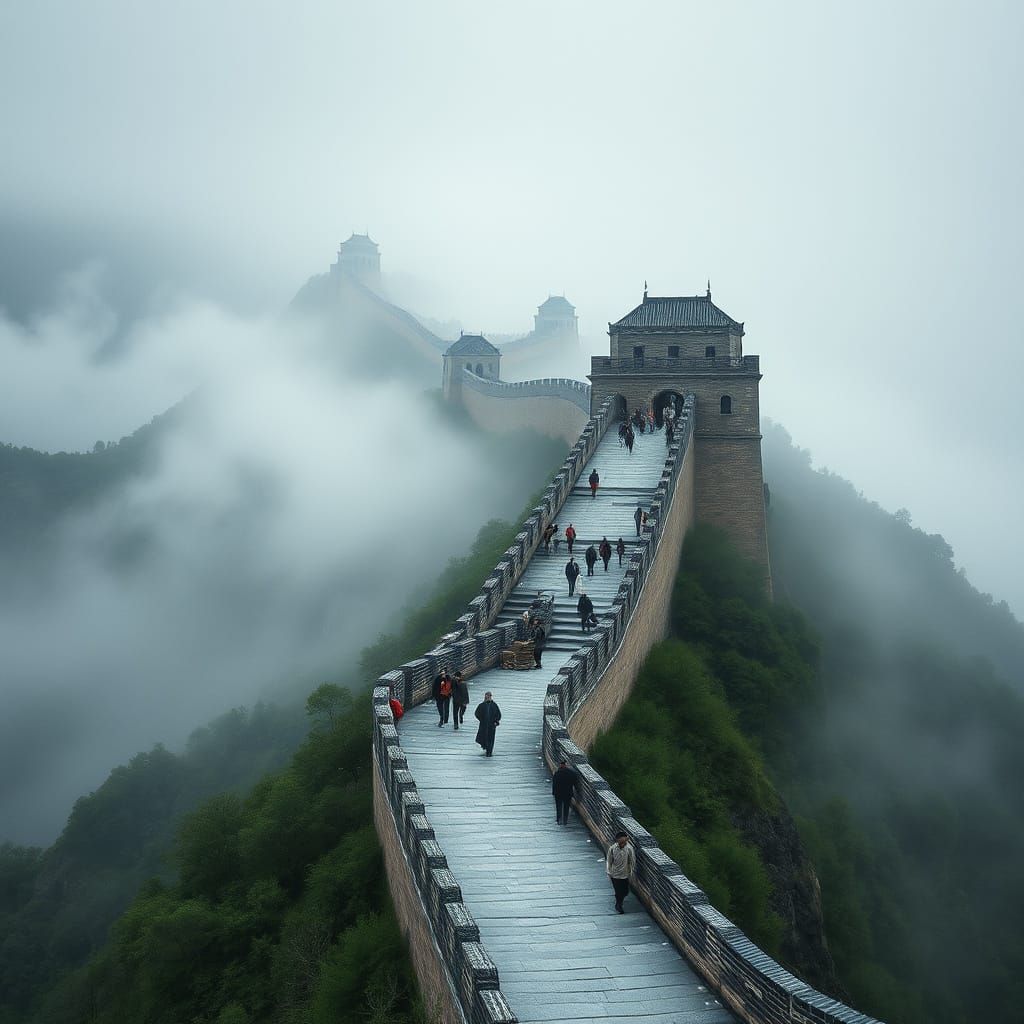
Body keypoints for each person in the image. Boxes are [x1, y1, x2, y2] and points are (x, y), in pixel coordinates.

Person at [606, 831, 636, 914]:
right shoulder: (612, 849)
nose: (622, 843)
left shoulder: (629, 849)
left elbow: (632, 861)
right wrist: (608, 871)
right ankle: (619, 905)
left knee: (625, 891)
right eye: (621, 842)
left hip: (625, 874)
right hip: (614, 874)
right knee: (618, 891)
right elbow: (609, 861)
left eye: (624, 842)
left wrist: (631, 872)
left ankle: (619, 901)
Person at [551, 758, 578, 825]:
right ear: (566, 765)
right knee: (566, 807)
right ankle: (565, 820)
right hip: (568, 793)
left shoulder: (557, 773)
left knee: (558, 806)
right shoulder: (571, 773)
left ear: (560, 765)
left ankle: (558, 819)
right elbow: (575, 783)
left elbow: (554, 783)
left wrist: (553, 792)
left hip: (558, 793)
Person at [474, 692, 501, 756]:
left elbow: (498, 714)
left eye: (489, 696)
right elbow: (477, 713)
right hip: (484, 725)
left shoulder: (494, 705)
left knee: (491, 738)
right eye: (487, 697)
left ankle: (489, 751)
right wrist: (481, 719)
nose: (488, 698)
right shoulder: (481, 705)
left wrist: (496, 721)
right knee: (484, 737)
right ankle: (486, 748)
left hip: (492, 725)